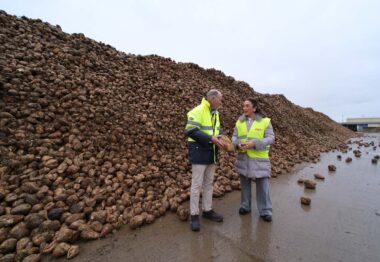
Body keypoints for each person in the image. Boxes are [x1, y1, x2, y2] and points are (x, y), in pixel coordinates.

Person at [185, 89, 225, 231]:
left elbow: (215, 132)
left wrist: (221, 138)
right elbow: (190, 130)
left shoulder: (216, 114)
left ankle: (207, 210)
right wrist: (211, 138)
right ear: (213, 98)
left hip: (211, 153)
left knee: (209, 183)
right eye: (220, 99)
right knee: (196, 186)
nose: (221, 102)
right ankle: (194, 215)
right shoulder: (198, 110)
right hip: (199, 153)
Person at [232, 98, 275, 222]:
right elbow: (234, 136)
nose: (244, 108)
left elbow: (271, 138)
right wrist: (238, 143)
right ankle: (245, 206)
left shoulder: (265, 121)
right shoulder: (239, 122)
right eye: (243, 106)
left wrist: (254, 143)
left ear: (254, 108)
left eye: (247, 106)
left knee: (263, 185)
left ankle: (265, 210)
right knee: (244, 183)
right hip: (243, 158)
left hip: (259, 159)